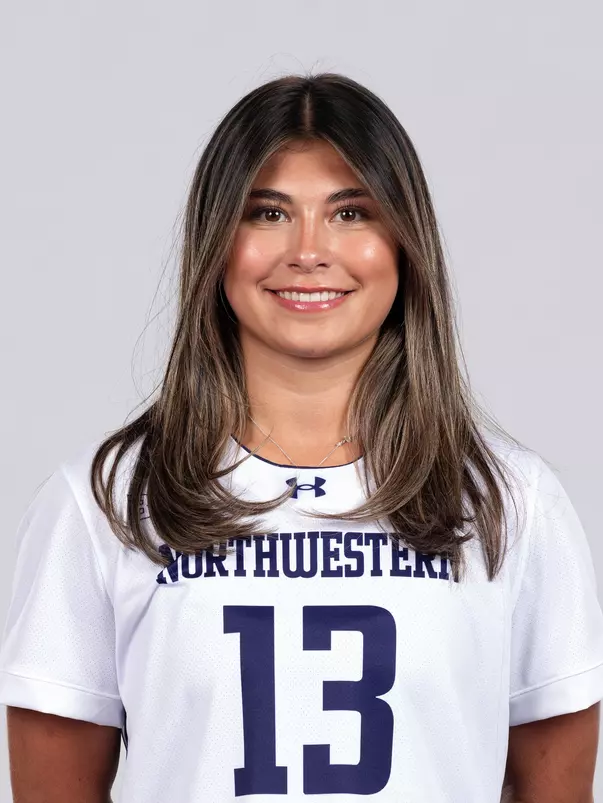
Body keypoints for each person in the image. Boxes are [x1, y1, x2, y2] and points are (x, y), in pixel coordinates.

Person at [0, 73, 601, 803]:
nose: (309, 251)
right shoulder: (107, 500)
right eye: (267, 214)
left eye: (351, 212)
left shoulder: (512, 500)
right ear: (217, 242)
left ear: (404, 243)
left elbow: (553, 787)